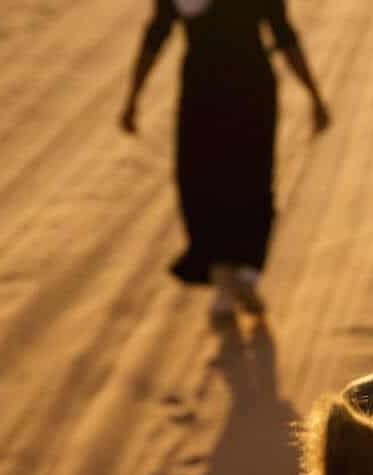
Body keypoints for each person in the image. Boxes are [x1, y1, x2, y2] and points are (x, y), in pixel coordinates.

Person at [121, 0, 330, 319]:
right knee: (254, 177)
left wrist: (133, 98)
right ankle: (247, 271)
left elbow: (156, 35)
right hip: (252, 87)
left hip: (203, 92)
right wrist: (314, 95)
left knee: (199, 181)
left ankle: (222, 282)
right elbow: (284, 34)